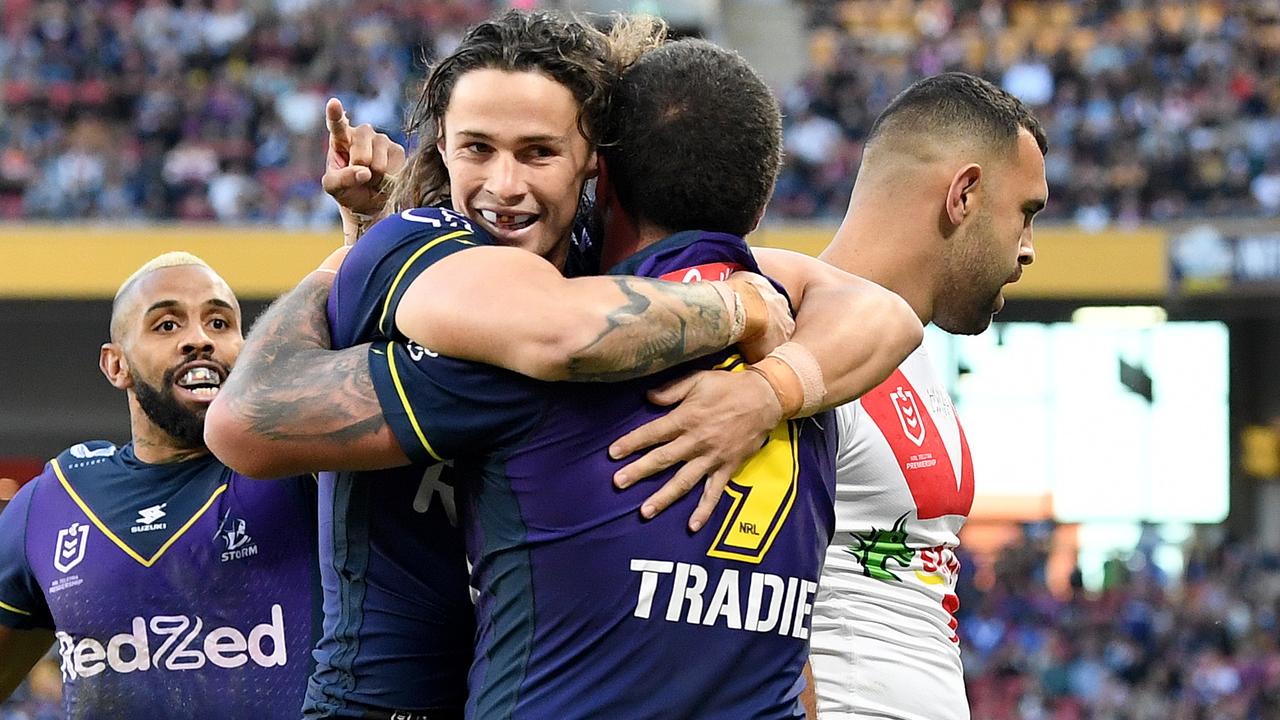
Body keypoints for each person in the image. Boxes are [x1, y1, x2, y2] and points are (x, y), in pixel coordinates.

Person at [208, 22, 921, 720]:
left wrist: (771, 390)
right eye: (476, 150)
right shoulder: (422, 241)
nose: (503, 186)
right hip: (384, 699)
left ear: (593, 164)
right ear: (443, 151)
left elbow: (879, 310)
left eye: (539, 152)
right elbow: (561, 333)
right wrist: (344, 267)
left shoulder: (608, 270)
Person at [613, 71, 1049, 719]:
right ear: (964, 193)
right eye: (1026, 213)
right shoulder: (771, 321)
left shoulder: (908, 353)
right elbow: (727, 591)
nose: (1029, 248)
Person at [0, 253, 318, 718]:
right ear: (116, 365)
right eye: (167, 325)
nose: (199, 340)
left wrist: (361, 225)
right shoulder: (53, 501)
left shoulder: (302, 468)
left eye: (219, 322)